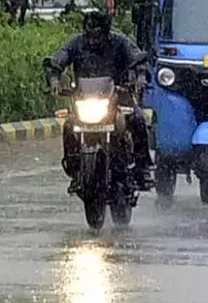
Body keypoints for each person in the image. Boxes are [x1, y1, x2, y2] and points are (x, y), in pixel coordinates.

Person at [45, 11, 154, 191]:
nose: (93, 39)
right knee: (69, 126)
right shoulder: (76, 43)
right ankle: (75, 170)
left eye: (98, 34)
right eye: (90, 34)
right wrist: (55, 79)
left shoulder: (120, 42)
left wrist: (141, 76)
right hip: (85, 97)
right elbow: (59, 57)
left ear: (106, 31)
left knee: (138, 119)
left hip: (118, 95)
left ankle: (142, 169)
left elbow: (138, 58)